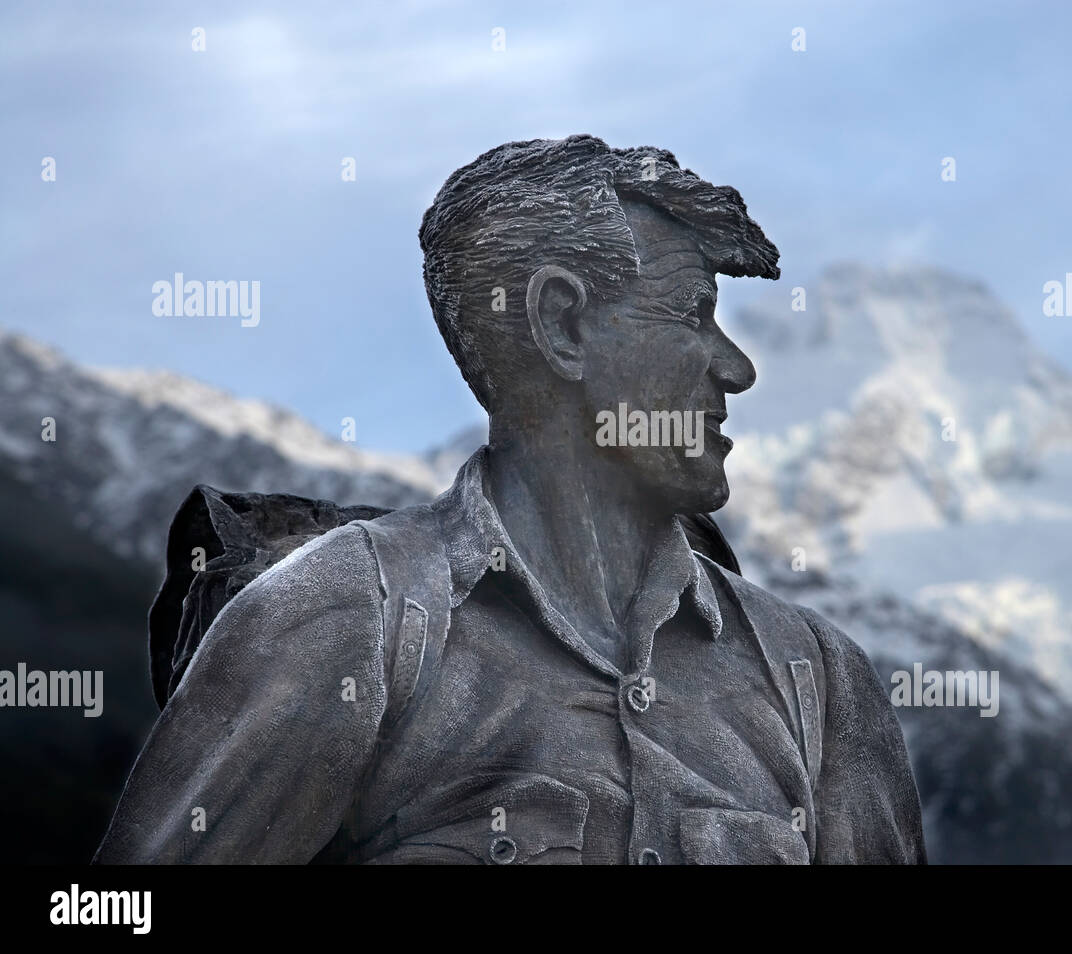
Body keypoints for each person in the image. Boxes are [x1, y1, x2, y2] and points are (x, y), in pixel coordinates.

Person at [95, 135, 925, 864]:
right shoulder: (347, 623)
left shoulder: (817, 678)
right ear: (561, 324)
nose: (735, 366)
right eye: (692, 314)